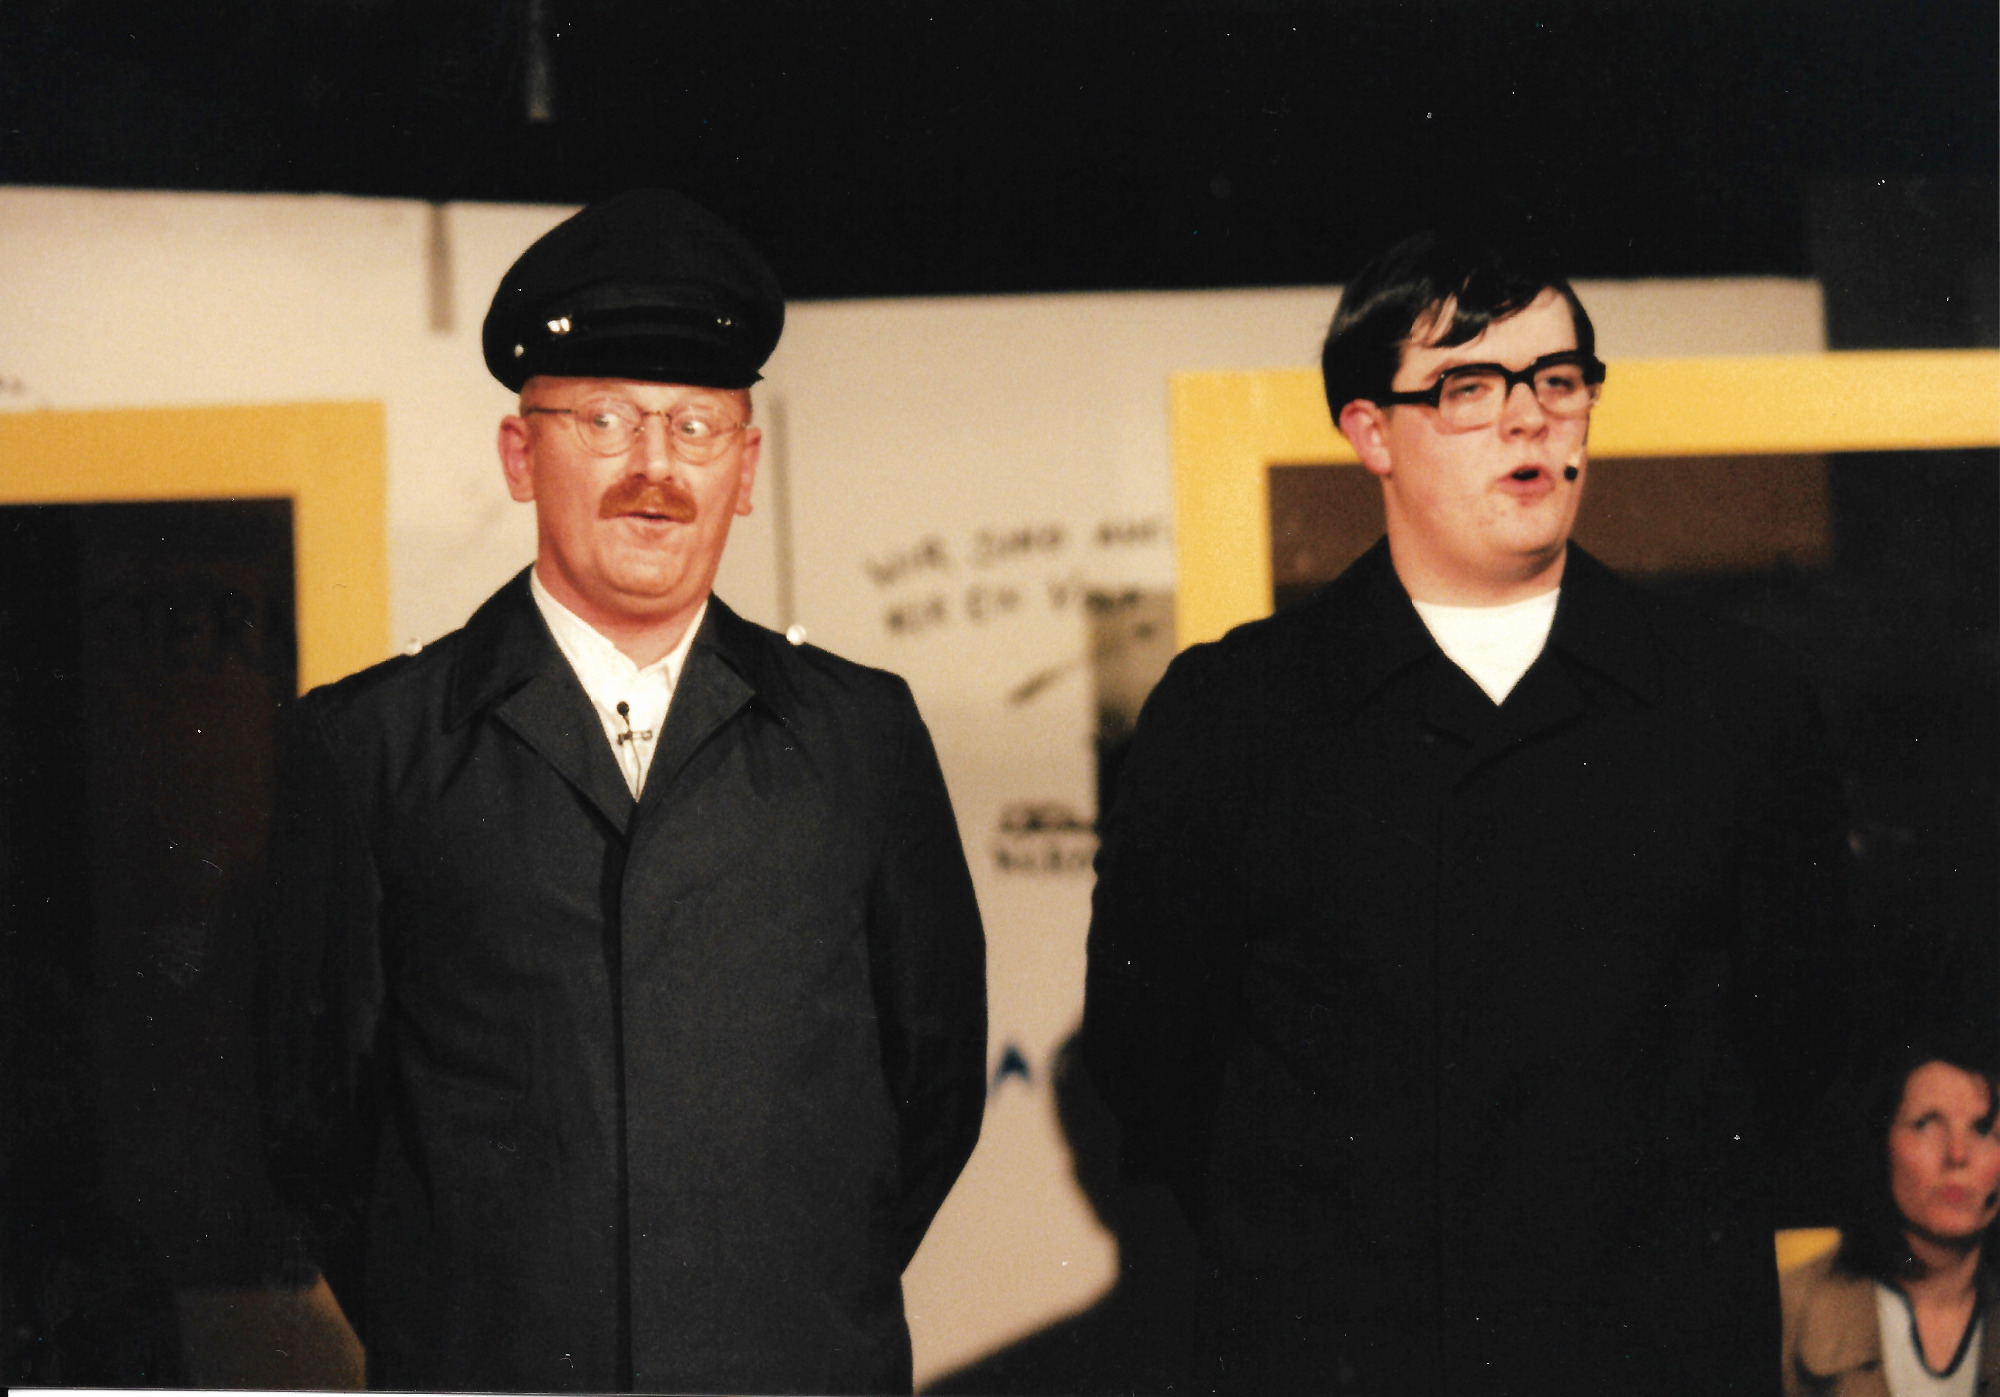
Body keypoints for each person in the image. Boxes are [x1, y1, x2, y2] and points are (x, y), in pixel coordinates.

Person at [1083, 225, 1860, 1394]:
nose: (1527, 417)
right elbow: (1155, 1055)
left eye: (1557, 378)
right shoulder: (1234, 712)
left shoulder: (1733, 697)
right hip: (1341, 1354)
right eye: (1466, 386)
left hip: (1643, 1356)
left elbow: (1804, 1035)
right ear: (1368, 433)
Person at [256, 189, 988, 1393]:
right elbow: (313, 1117)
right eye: (604, 419)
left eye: (696, 426)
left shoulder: (860, 736)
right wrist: (470, 1326)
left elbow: (933, 1083)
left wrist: (793, 1300)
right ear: (519, 453)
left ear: (745, 467)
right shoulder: (372, 745)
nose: (655, 471)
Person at [1782, 1040, 2000, 1395]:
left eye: (1983, 1128)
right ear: (1881, 1144)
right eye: (1925, 1124)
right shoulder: (1790, 1308)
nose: (1957, 1154)